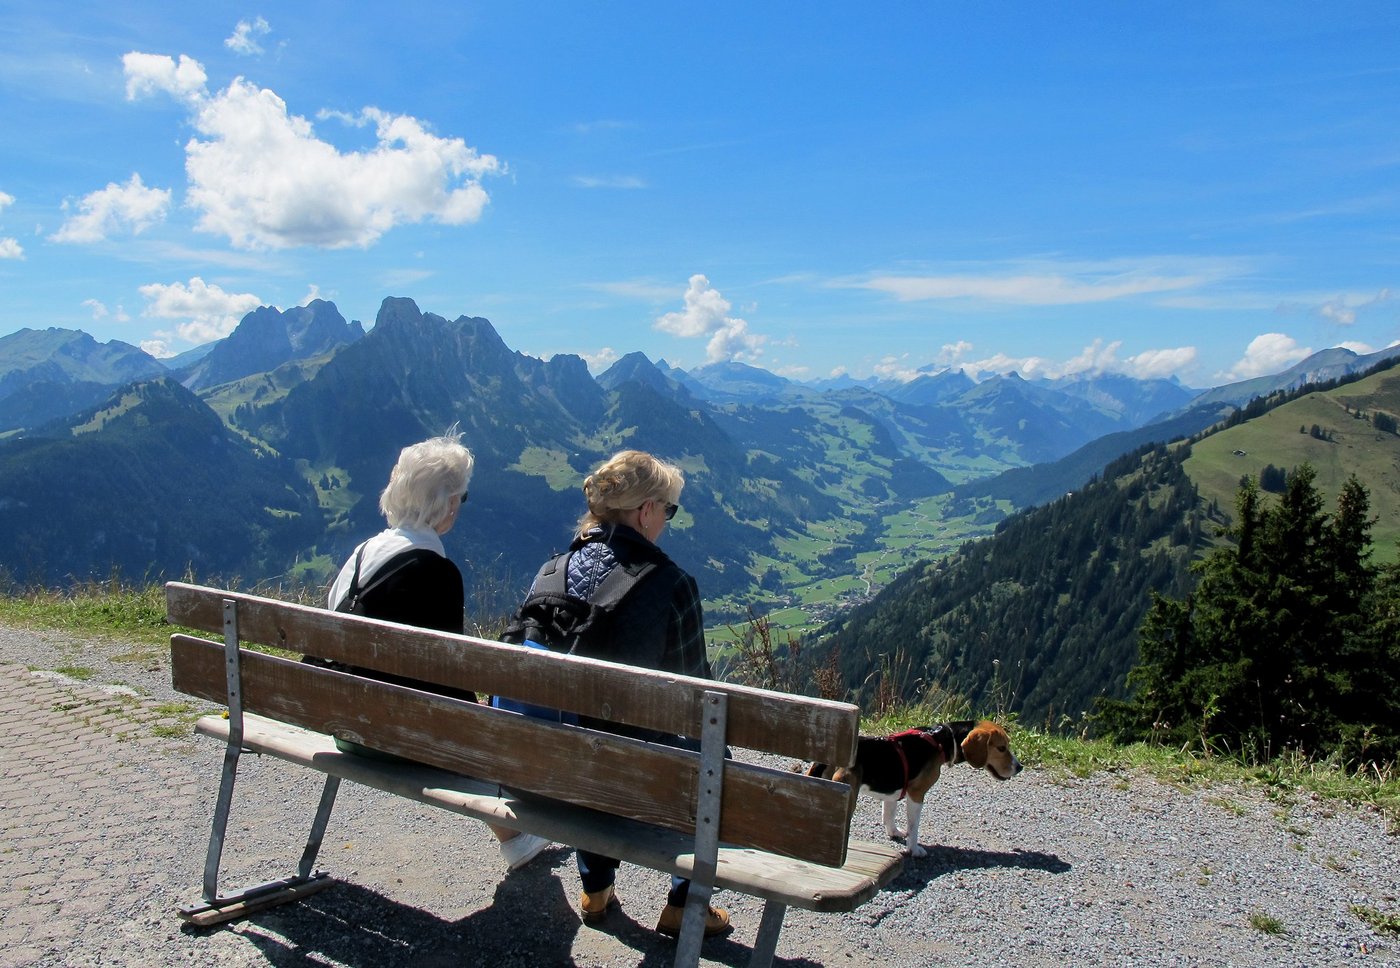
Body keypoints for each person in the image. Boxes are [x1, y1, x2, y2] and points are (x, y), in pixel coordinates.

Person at [325, 428, 550, 872]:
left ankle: (516, 836)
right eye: (461, 499)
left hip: (339, 722)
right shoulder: (435, 571)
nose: (460, 509)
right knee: (490, 723)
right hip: (392, 737)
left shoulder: (363, 553)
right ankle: (518, 836)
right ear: (446, 503)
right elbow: (448, 677)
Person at [539, 449, 731, 938]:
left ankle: (596, 888)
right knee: (714, 755)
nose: (666, 521)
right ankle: (686, 905)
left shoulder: (551, 574)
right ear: (645, 511)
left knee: (587, 731)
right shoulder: (673, 585)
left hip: (546, 770)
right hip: (636, 779)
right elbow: (696, 702)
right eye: (667, 510)